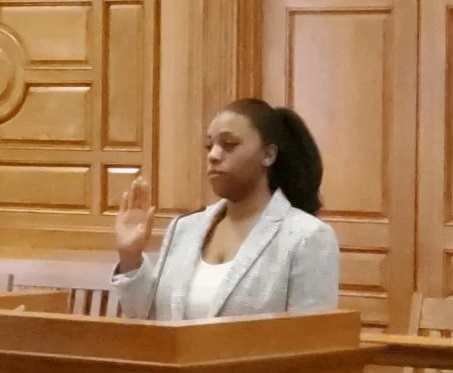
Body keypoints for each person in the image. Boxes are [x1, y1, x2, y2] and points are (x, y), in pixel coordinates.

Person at [112, 98, 340, 321]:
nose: (213, 155)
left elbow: (311, 341)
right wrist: (130, 255)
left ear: (268, 155)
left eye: (229, 144)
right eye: (209, 146)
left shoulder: (307, 236)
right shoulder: (184, 228)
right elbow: (145, 317)